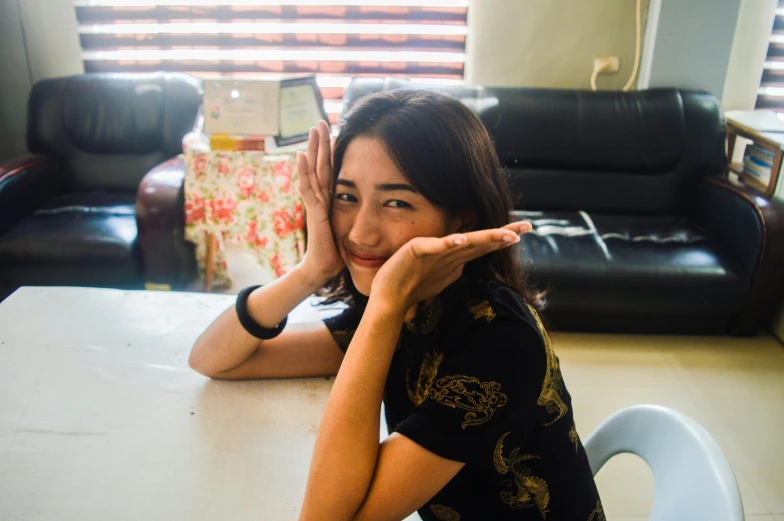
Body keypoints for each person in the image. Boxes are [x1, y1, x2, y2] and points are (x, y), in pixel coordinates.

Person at [189, 90, 603, 521]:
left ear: (461, 219)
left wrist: (385, 306)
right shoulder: (412, 304)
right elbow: (215, 359)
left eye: (397, 203)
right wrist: (313, 269)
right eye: (346, 197)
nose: (360, 234)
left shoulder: (499, 340)